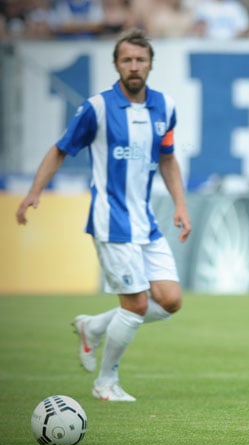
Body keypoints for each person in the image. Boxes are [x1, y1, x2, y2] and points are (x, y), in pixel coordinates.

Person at [15, 28, 192, 402]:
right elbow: (61, 149)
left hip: (145, 219)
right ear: (115, 64)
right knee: (137, 305)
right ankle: (105, 382)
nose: (133, 66)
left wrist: (180, 204)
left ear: (150, 65)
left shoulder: (166, 107)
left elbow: (167, 158)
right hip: (110, 219)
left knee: (171, 300)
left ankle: (92, 327)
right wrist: (34, 192)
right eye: (126, 60)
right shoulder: (96, 107)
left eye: (140, 60)